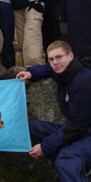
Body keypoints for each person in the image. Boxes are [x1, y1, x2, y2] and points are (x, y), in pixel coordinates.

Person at [17, 41, 91, 181]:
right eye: (51, 59)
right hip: (80, 131)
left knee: (65, 161)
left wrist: (45, 147)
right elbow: (47, 69)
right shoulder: (65, 71)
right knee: (34, 128)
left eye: (59, 57)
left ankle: (72, 164)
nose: (55, 62)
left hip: (84, 132)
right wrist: (30, 73)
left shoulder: (84, 81)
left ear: (70, 56)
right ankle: (76, 167)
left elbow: (77, 126)